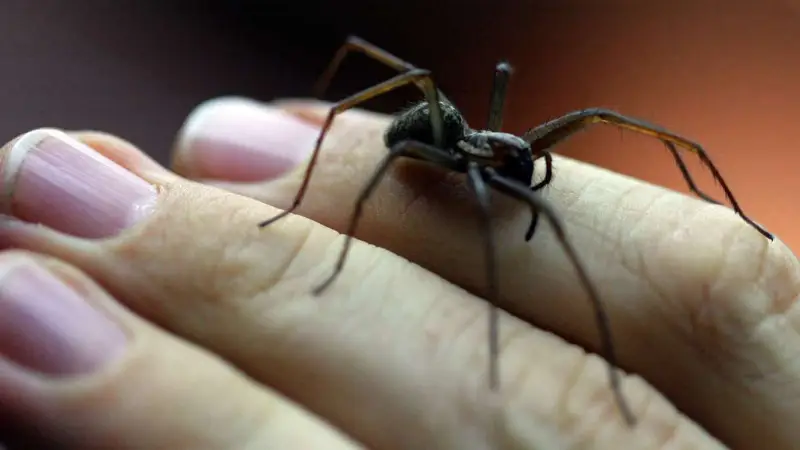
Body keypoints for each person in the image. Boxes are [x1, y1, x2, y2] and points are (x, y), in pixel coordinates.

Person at [0, 96, 795, 449]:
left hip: (464, 139)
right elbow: (394, 147)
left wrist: (740, 230)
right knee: (529, 207)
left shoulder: (513, 151)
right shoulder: (454, 158)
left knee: (601, 121)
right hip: (424, 141)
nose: (523, 166)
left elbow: (634, 128)